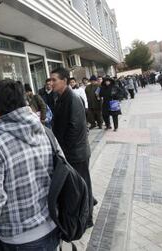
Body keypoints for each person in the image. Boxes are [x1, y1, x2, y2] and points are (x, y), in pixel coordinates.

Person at [0, 79, 60, 250]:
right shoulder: (46, 133)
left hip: (17, 239)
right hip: (53, 227)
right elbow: (61, 175)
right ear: (25, 102)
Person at [50, 67, 94, 227]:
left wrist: (64, 152)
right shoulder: (61, 97)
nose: (51, 83)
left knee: (82, 186)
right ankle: (81, 214)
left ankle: (87, 218)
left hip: (76, 154)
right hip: (69, 153)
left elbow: (75, 129)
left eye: (54, 79)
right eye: (50, 80)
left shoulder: (73, 98)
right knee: (77, 187)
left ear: (65, 81)